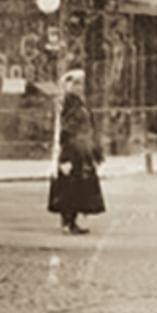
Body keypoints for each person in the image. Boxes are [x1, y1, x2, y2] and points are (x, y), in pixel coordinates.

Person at [47, 68, 105, 235]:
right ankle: (67, 222)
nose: (81, 87)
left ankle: (72, 221)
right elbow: (66, 129)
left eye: (82, 84)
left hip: (81, 150)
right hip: (71, 151)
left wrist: (92, 147)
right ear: (69, 85)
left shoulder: (80, 104)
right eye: (77, 83)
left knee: (78, 186)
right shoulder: (68, 104)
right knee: (69, 186)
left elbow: (88, 127)